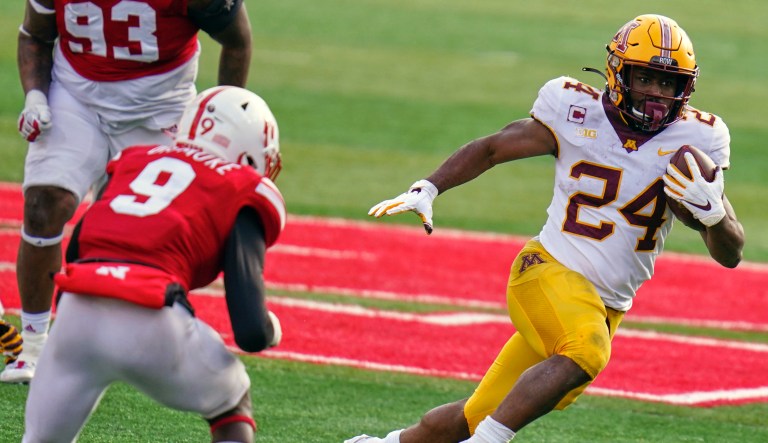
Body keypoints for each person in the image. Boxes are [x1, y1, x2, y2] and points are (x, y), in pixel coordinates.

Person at [347, 14, 744, 443]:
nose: (656, 94)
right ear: (619, 73)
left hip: (605, 305)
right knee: (585, 351)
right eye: (646, 78)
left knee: (477, 414)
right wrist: (429, 187)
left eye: (669, 84)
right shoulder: (575, 109)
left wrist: (712, 215)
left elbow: (731, 253)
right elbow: (494, 147)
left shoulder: (697, 140)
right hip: (545, 271)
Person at [4, 0, 253, 383]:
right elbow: (35, 34)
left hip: (160, 109)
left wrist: (221, 113)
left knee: (144, 236)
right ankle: (33, 348)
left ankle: (132, 340)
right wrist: (36, 96)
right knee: (44, 204)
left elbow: (237, 40)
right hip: (76, 96)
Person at [23, 86, 284, 442]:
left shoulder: (134, 159)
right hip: (150, 315)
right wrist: (270, 330)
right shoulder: (242, 185)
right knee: (232, 395)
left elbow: (76, 251)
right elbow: (250, 331)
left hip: (76, 311)